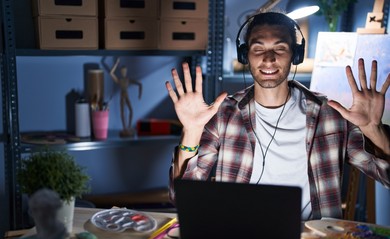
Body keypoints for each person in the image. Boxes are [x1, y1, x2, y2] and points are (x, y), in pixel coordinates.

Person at [165, 12, 390, 220]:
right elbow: (182, 198)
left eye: (280, 48)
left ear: (296, 55)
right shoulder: (223, 114)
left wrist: (374, 130)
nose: (269, 59)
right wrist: (192, 132)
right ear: (245, 56)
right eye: (258, 48)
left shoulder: (330, 114)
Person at [109, 58, 143, 137]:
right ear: (121, 72)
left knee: (130, 110)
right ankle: (125, 127)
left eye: (125, 71)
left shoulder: (128, 80)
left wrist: (140, 94)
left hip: (126, 95)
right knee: (122, 112)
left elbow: (139, 84)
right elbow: (111, 73)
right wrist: (117, 63)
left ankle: (129, 126)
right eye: (122, 71)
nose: (123, 72)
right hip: (122, 96)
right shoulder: (119, 80)